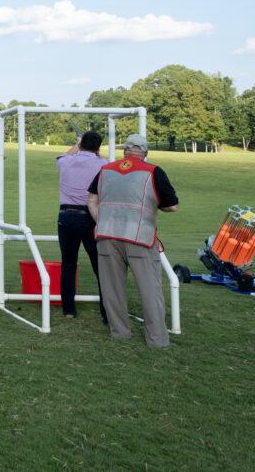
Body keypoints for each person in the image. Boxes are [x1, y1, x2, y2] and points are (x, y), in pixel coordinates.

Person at [87, 134, 179, 348]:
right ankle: (157, 339)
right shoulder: (153, 171)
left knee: (112, 289)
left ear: (125, 151)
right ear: (145, 153)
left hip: (107, 236)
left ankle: (120, 332)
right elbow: (172, 206)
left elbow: (91, 200)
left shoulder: (105, 170)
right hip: (140, 238)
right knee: (150, 290)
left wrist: (101, 220)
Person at [56, 131, 108, 321]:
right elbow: (104, 162)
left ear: (81, 144)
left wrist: (77, 145)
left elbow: (63, 156)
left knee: (68, 264)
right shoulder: (104, 164)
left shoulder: (66, 161)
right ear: (98, 147)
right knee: (100, 266)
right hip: (91, 217)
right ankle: (106, 312)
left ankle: (68, 310)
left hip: (66, 216)